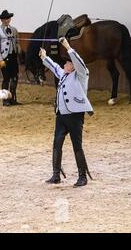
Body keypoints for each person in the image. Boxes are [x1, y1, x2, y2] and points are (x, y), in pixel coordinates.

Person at [39, 37, 94, 187]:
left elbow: (79, 63)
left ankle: (82, 176)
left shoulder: (82, 75)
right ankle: (56, 174)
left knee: (77, 145)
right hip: (61, 115)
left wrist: (68, 47)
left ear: (73, 66)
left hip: (75, 116)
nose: (65, 64)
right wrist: (44, 57)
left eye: (67, 62)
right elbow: (54, 66)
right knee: (57, 144)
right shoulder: (63, 74)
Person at [0, 10, 22, 106]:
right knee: (6, 78)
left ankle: (12, 98)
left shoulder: (14, 29)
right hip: (5, 57)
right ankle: (5, 99)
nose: (6, 20)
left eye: (8, 18)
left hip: (13, 56)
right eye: (4, 19)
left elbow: (17, 42)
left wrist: (19, 52)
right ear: (1, 20)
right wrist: (0, 59)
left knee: (14, 77)